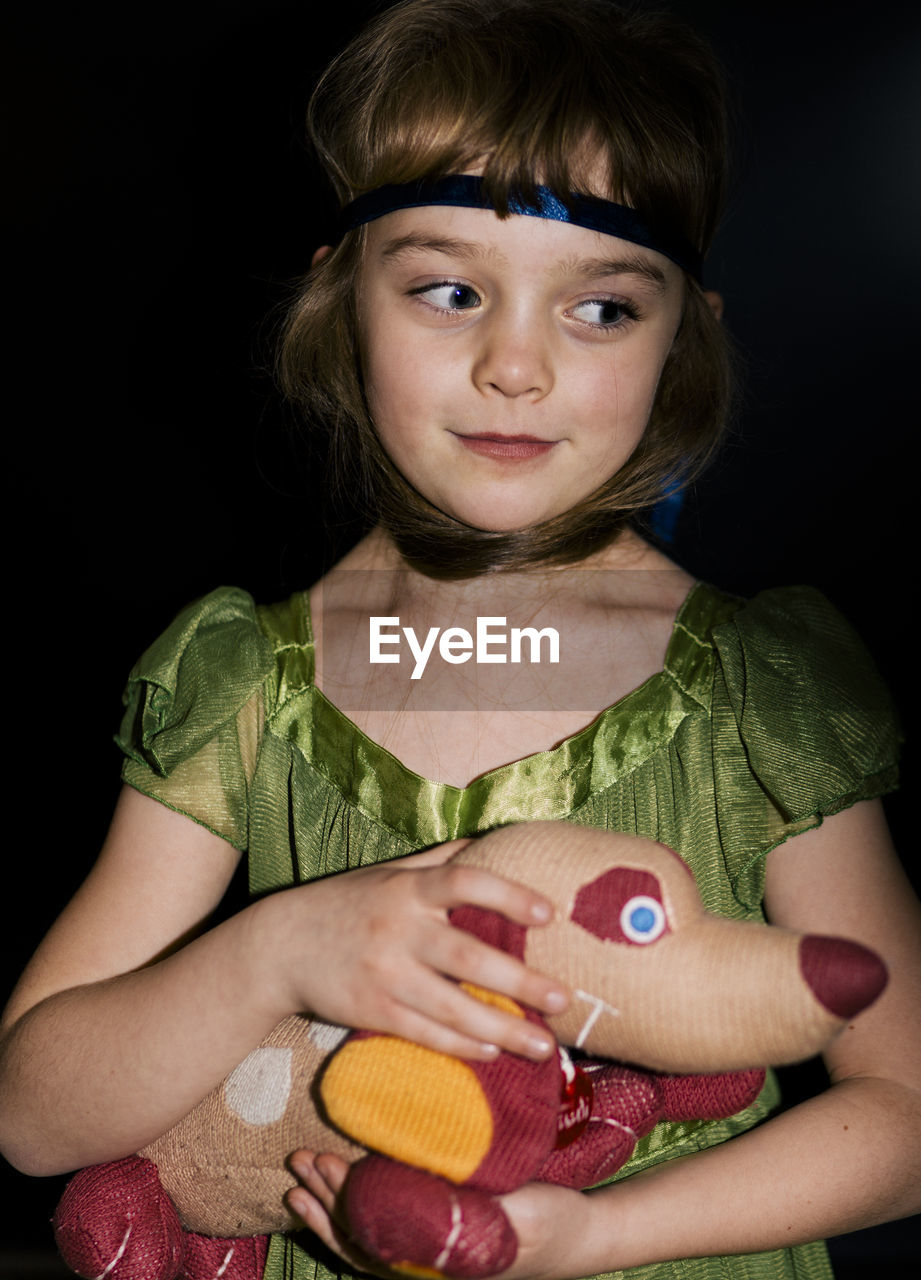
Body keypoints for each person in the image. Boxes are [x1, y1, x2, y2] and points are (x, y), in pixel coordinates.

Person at [1, 2, 919, 1279]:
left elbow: (908, 1109)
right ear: (340, 297)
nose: (514, 365)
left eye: (599, 309)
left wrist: (599, 1230)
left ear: (684, 334)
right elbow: (35, 1112)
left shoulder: (765, 689)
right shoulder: (244, 683)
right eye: (448, 289)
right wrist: (283, 944)